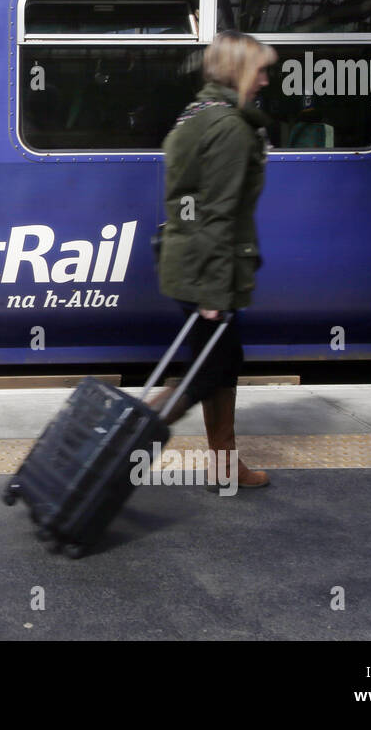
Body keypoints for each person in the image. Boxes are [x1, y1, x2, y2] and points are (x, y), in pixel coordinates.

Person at [147, 31, 276, 490]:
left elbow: (188, 203)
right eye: (260, 69)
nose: (265, 79)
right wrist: (214, 293)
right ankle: (132, 438)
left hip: (186, 260)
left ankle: (225, 469)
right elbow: (219, 215)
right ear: (239, 71)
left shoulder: (194, 116)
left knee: (219, 365)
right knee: (215, 368)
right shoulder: (231, 128)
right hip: (208, 269)